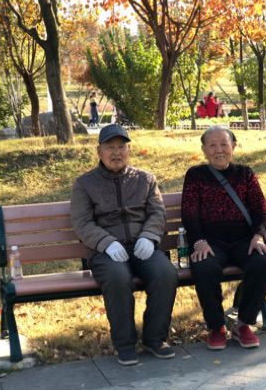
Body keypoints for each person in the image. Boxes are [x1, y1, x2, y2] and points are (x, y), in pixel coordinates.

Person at [71, 124, 178, 366]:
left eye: (121, 147)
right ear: (99, 151)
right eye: (110, 147)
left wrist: (149, 236)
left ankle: (155, 339)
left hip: (143, 246)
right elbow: (82, 222)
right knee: (118, 278)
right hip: (106, 252)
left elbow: (157, 213)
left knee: (165, 274)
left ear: (129, 151)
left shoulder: (145, 179)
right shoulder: (85, 184)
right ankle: (125, 344)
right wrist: (106, 243)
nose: (116, 152)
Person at [181, 125, 266, 351]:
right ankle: (216, 327)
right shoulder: (195, 175)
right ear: (204, 149)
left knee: (262, 263)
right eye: (212, 145)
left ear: (233, 146)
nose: (219, 150)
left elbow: (260, 209)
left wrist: (259, 236)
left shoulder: (245, 174)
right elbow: (189, 212)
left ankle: (243, 324)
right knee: (204, 266)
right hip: (211, 242)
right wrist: (198, 241)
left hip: (245, 240)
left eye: (224, 144)